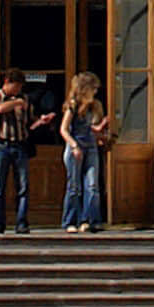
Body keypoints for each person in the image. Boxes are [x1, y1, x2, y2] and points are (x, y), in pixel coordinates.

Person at [55, 72, 111, 230]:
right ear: (85, 89)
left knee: (92, 185)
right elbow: (64, 129)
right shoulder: (72, 106)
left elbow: (93, 129)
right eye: (93, 88)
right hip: (75, 148)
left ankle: (89, 220)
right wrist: (74, 146)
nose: (95, 92)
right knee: (74, 187)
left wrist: (103, 132)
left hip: (91, 147)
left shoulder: (96, 106)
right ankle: (70, 221)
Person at [0, 72, 36, 233]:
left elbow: (29, 122)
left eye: (20, 87)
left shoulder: (24, 99)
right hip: (1, 145)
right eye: (17, 86)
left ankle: (21, 222)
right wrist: (16, 102)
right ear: (7, 82)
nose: (18, 90)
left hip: (20, 145)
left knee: (23, 186)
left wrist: (40, 121)